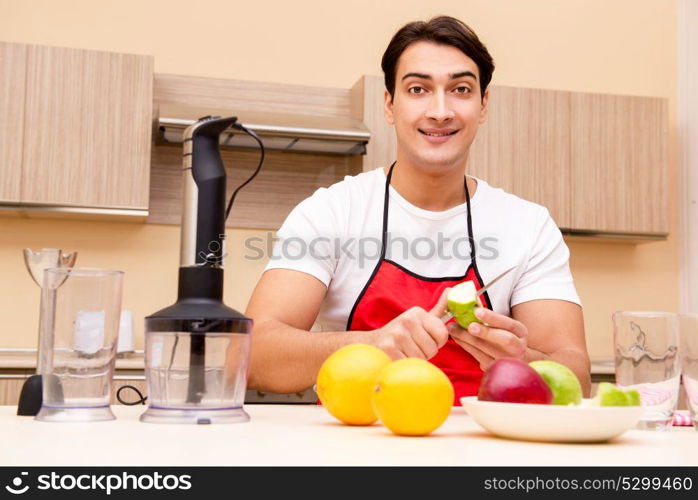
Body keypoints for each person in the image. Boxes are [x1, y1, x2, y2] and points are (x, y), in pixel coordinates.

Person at [245, 15, 590, 402]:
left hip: (485, 450)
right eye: (418, 89)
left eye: (460, 89)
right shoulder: (331, 212)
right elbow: (252, 354)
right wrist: (372, 344)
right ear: (390, 104)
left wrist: (520, 360)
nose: (440, 111)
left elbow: (576, 374)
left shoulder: (528, 225)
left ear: (483, 105)